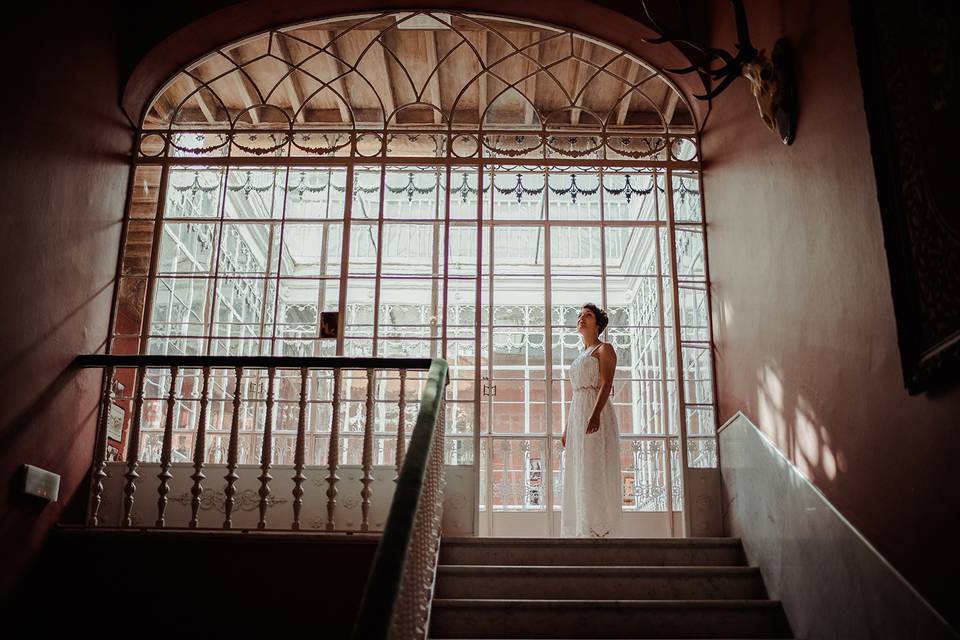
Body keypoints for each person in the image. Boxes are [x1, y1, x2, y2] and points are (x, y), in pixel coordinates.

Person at [560, 303, 623, 538]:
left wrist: (595, 414)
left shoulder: (604, 349)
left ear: (598, 324)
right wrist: (567, 427)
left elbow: (606, 383)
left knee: (595, 465)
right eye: (579, 316)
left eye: (587, 316)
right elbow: (575, 394)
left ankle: (600, 527)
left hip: (596, 411)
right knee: (579, 466)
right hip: (578, 414)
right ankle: (582, 525)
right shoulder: (579, 357)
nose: (581, 319)